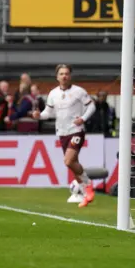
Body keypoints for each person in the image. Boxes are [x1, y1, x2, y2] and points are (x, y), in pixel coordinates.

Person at [32, 64, 96, 207]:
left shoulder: (79, 91)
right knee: (73, 164)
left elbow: (92, 106)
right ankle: (86, 194)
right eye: (61, 74)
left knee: (68, 161)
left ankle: (88, 185)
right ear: (57, 77)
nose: (64, 76)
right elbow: (48, 113)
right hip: (62, 132)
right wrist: (38, 116)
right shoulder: (53, 93)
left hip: (76, 130)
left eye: (66, 73)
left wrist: (83, 119)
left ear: (70, 76)